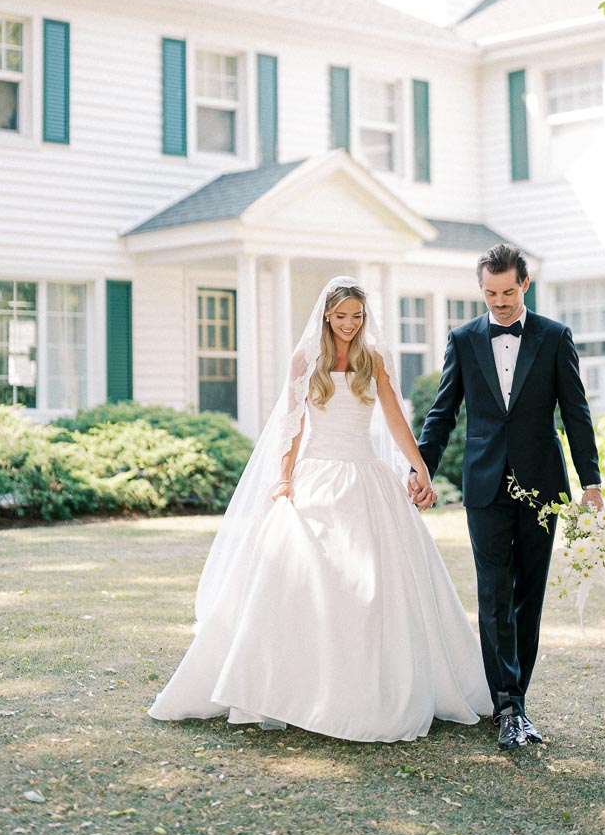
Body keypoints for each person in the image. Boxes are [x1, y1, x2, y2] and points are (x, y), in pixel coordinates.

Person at [148, 276, 491, 743]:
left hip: (366, 475)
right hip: (317, 474)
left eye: (357, 316)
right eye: (341, 316)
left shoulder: (375, 359)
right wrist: (284, 478)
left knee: (378, 580)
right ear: (327, 315)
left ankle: (370, 686)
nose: (349, 325)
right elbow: (292, 423)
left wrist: (420, 469)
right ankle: (289, 687)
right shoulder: (306, 359)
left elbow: (393, 416)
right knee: (301, 571)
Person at [415, 244, 602, 750]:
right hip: (484, 486)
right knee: (493, 593)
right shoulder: (463, 339)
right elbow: (442, 413)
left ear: (525, 285)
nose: (498, 302)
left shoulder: (554, 337)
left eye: (507, 291)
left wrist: (591, 482)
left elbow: (576, 412)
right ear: (481, 290)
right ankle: (509, 707)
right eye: (489, 293)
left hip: (542, 484)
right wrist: (422, 469)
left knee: (528, 597)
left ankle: (515, 696)